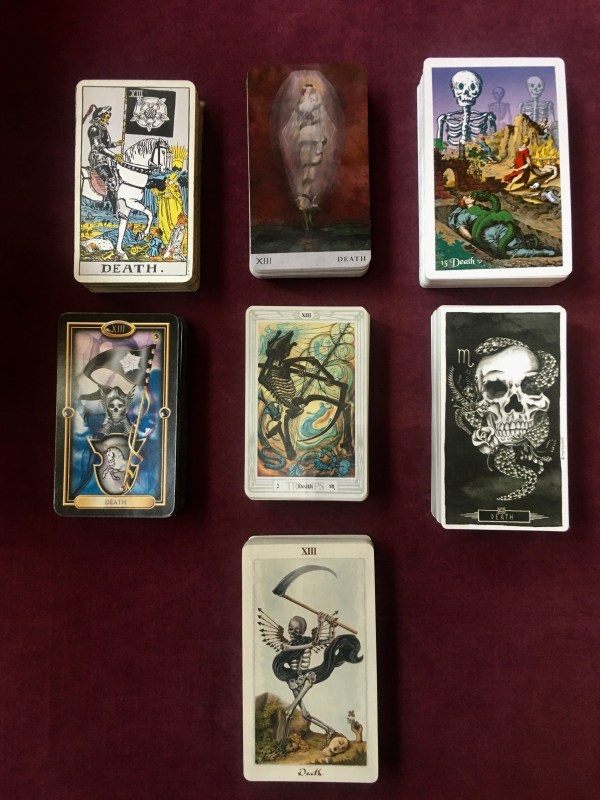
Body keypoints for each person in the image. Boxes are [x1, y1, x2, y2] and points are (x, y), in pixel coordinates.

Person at [449, 192, 558, 259]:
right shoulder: (464, 214)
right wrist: (474, 239)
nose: (469, 196)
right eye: (466, 197)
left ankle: (533, 245)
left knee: (518, 241)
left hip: (506, 230)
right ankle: (544, 252)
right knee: (507, 251)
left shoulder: (483, 208)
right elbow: (461, 228)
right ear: (463, 203)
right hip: (489, 235)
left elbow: (495, 213)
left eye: (469, 195)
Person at [82, 105, 123, 213]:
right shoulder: (94, 129)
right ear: (99, 116)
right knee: (111, 181)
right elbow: (98, 147)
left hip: (106, 158)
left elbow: (106, 144)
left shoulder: (103, 128)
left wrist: (115, 144)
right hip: (97, 159)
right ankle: (114, 210)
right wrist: (114, 155)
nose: (108, 117)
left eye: (109, 115)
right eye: (106, 115)